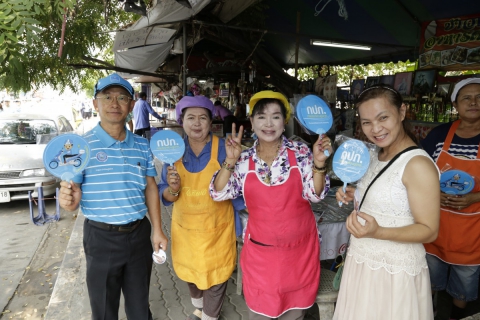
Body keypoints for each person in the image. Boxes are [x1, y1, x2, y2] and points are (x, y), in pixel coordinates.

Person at [210, 90, 332, 320]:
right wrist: (230, 160)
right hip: (261, 255)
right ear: (252, 122)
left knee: (294, 314)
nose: (268, 123)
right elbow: (218, 193)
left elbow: (315, 195)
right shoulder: (243, 159)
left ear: (284, 122)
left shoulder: (301, 152)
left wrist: (318, 163)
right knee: (260, 313)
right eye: (261, 116)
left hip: (299, 253)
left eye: (275, 116)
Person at [58, 73, 168, 320]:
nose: (114, 104)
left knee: (140, 307)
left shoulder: (142, 145)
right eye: (106, 97)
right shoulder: (81, 148)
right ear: (95, 104)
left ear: (131, 105)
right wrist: (68, 201)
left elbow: (150, 187)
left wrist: (157, 230)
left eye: (122, 98)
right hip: (101, 238)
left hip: (139, 234)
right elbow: (72, 198)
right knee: (105, 309)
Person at [334, 85, 440, 320]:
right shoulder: (374, 155)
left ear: (402, 112)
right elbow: (383, 197)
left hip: (394, 271)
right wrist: (354, 194)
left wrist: (378, 231)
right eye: (366, 122)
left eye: (383, 117)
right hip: (362, 262)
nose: (376, 129)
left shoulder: (417, 165)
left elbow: (429, 230)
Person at [158, 95, 245, 320]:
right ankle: (200, 307)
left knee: (216, 278)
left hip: (218, 231)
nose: (197, 123)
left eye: (203, 118)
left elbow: (239, 193)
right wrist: (174, 188)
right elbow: (166, 195)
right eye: (191, 118)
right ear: (181, 121)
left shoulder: (226, 149)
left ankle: (209, 316)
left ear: (211, 122)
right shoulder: (172, 152)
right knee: (191, 276)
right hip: (186, 232)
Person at [422, 78, 480, 320]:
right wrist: (433, 192)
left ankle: (457, 315)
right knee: (429, 279)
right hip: (436, 226)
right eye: (466, 97)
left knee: (464, 285)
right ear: (455, 104)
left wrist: (474, 197)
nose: (474, 102)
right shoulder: (439, 134)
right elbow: (419, 170)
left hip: (471, 231)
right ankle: (429, 312)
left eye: (479, 97)